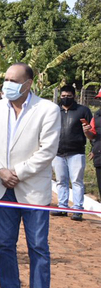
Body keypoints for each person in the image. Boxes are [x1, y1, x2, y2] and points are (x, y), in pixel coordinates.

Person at [0, 63, 60, 288]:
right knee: (4, 245)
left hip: (33, 190)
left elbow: (47, 151)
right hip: (2, 188)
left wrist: (18, 173)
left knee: (38, 247)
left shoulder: (47, 109)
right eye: (6, 79)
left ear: (28, 84)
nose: (7, 84)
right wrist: (0, 171)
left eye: (13, 80)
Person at [50, 85, 92, 221]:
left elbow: (91, 131)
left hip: (76, 152)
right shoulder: (55, 111)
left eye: (68, 96)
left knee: (77, 181)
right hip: (58, 152)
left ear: (74, 96)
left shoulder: (83, 111)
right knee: (61, 180)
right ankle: (63, 207)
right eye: (63, 96)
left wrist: (93, 148)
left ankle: (77, 208)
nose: (65, 98)